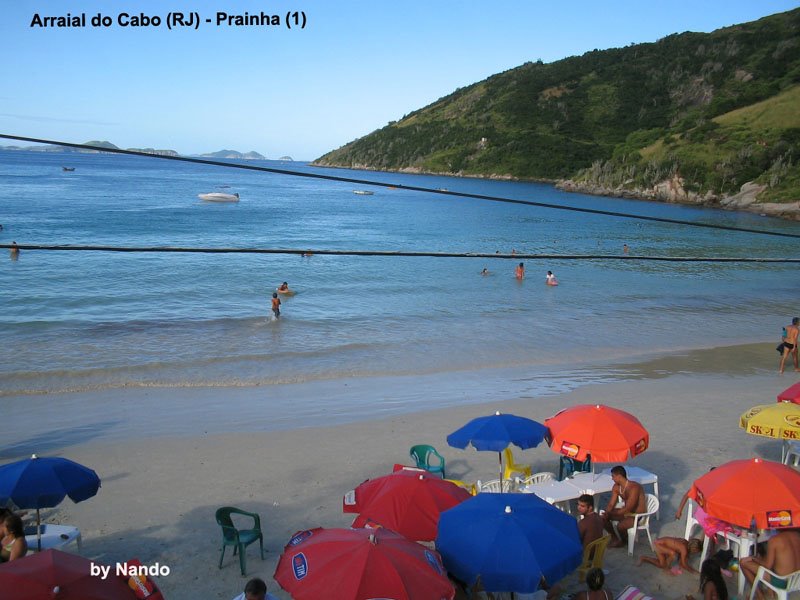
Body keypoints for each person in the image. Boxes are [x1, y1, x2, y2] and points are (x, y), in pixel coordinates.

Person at [740, 529, 800, 597]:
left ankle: (760, 597)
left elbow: (767, 566)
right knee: (769, 558)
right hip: (797, 580)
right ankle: (770, 593)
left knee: (743, 562)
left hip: (783, 581)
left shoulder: (774, 540)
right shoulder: (797, 536)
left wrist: (753, 558)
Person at [602, 465, 646, 548]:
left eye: (613, 476)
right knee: (603, 519)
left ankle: (624, 541)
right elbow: (611, 504)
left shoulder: (634, 487)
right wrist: (607, 513)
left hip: (637, 515)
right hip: (626, 512)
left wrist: (614, 512)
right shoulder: (616, 487)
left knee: (621, 526)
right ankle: (614, 538)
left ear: (619, 476)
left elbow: (629, 507)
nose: (612, 479)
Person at [637, 536, 702, 573]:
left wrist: (683, 563)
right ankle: (667, 568)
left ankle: (644, 558)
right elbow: (684, 564)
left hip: (661, 542)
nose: (695, 553)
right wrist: (693, 571)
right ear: (694, 549)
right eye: (696, 551)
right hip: (659, 545)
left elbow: (682, 562)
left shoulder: (685, 542)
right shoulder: (684, 549)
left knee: (662, 564)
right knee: (672, 554)